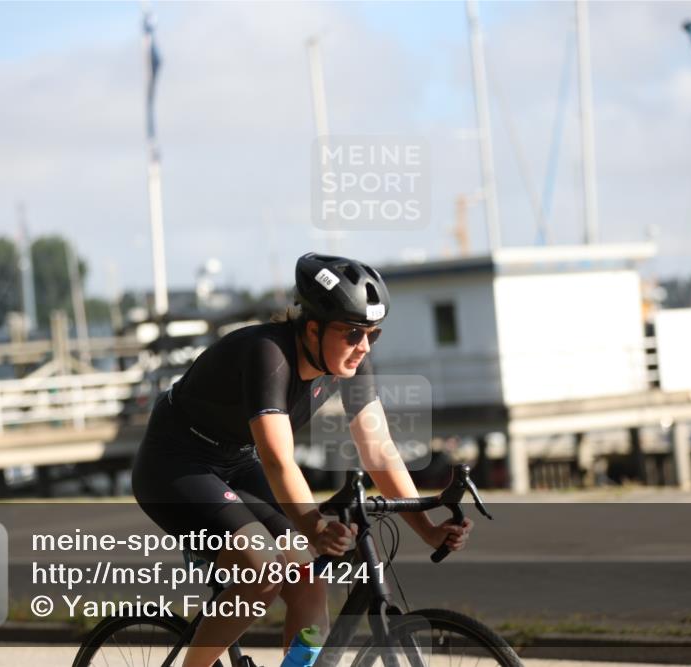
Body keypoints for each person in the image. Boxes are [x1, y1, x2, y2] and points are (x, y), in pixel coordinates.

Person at [132, 252, 473, 667]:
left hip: (234, 463)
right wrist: (312, 524)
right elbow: (278, 460)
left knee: (309, 580)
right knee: (263, 571)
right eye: (352, 333)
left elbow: (379, 450)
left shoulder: (348, 365)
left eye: (372, 334)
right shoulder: (267, 354)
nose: (363, 346)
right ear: (313, 329)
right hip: (175, 465)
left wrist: (428, 529)